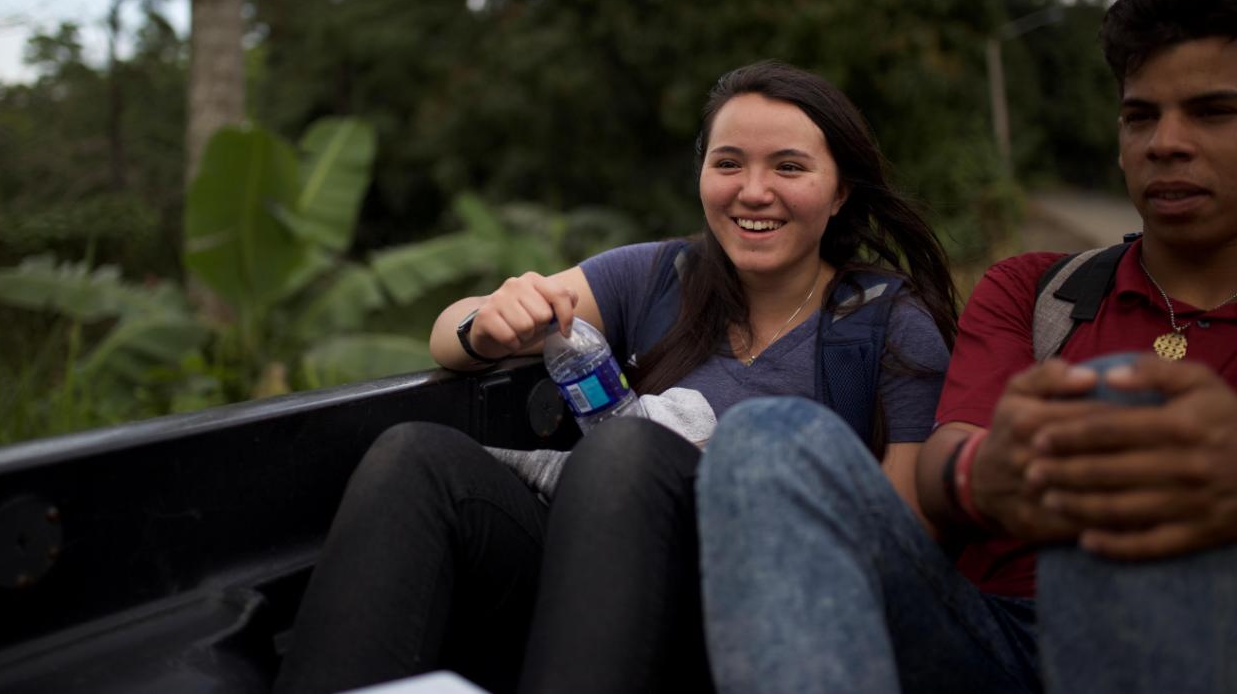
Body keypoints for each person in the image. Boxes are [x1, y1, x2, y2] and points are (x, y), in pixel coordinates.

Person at [272, 61, 959, 694]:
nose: (754, 191)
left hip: (761, 617)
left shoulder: (887, 325)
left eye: (788, 166)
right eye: (729, 163)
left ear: (839, 190)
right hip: (593, 580)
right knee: (413, 456)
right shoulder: (661, 274)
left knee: (626, 448)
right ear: (702, 175)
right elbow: (450, 330)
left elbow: (904, 544)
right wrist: (487, 322)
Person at [696, 0, 1237, 694]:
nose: (1165, 142)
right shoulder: (1038, 290)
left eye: (1213, 111)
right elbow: (944, 463)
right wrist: (994, 468)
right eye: (1141, 115)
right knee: (765, 437)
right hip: (989, 638)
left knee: (1126, 415)